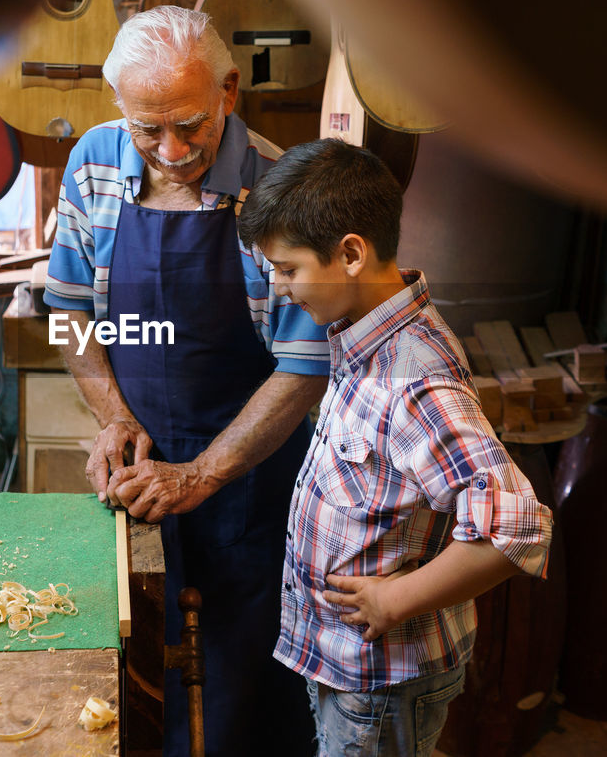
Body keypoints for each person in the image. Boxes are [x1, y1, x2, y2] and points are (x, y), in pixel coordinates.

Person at [41, 5, 327, 756]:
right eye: (148, 128)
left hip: (246, 469)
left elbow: (304, 366)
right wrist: (112, 417)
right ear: (120, 111)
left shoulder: (277, 187)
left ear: (229, 90)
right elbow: (68, 312)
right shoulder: (94, 163)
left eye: (191, 126)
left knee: (247, 660)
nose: (170, 150)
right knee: (130, 647)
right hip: (136, 463)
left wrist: (204, 472)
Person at [236, 138, 555, 756]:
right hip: (345, 663)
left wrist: (397, 597)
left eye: (289, 268)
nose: (281, 286)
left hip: (383, 680)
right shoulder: (362, 340)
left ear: (350, 254)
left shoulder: (412, 377)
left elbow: (517, 527)